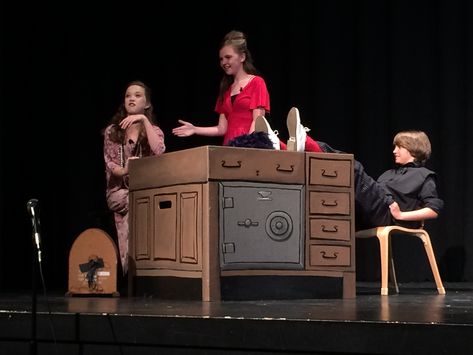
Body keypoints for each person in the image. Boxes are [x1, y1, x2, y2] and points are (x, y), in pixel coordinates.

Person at [230, 125, 443, 230]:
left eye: (399, 147)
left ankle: (305, 146)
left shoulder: (424, 175)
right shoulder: (389, 173)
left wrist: (402, 216)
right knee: (332, 180)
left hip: (388, 214)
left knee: (353, 168)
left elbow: (433, 209)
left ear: (413, 149)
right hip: (368, 211)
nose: (394, 151)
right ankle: (285, 148)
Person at [171, 30, 322, 152]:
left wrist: (245, 147)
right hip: (229, 149)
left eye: (228, 57)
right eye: (221, 59)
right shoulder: (225, 90)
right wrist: (195, 129)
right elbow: (221, 129)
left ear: (242, 56)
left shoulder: (256, 82)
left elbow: (258, 122)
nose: (224, 62)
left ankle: (303, 140)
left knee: (299, 154)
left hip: (249, 147)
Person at [103, 80, 166, 274]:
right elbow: (110, 163)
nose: (131, 99)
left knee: (140, 207)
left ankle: (133, 274)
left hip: (143, 192)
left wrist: (144, 121)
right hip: (119, 193)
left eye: (137, 95)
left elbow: (159, 151)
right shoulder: (113, 131)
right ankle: (132, 272)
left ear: (147, 103)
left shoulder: (153, 131)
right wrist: (126, 170)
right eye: (128, 95)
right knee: (137, 202)